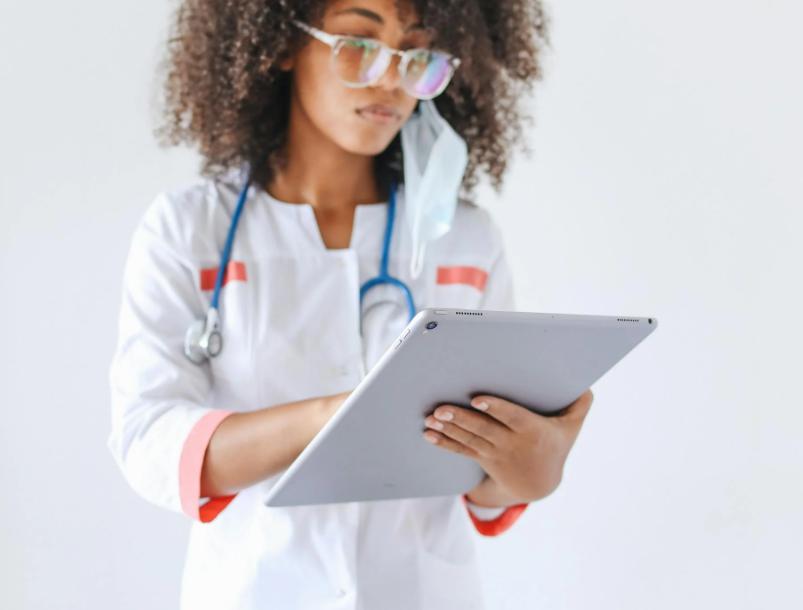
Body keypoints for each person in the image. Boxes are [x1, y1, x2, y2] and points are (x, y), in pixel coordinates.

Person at [107, 0, 593, 607]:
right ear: (281, 42)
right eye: (359, 44)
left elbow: (488, 485)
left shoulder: (464, 240)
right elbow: (150, 441)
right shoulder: (187, 231)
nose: (392, 78)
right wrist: (338, 416)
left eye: (417, 55)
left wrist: (535, 469)